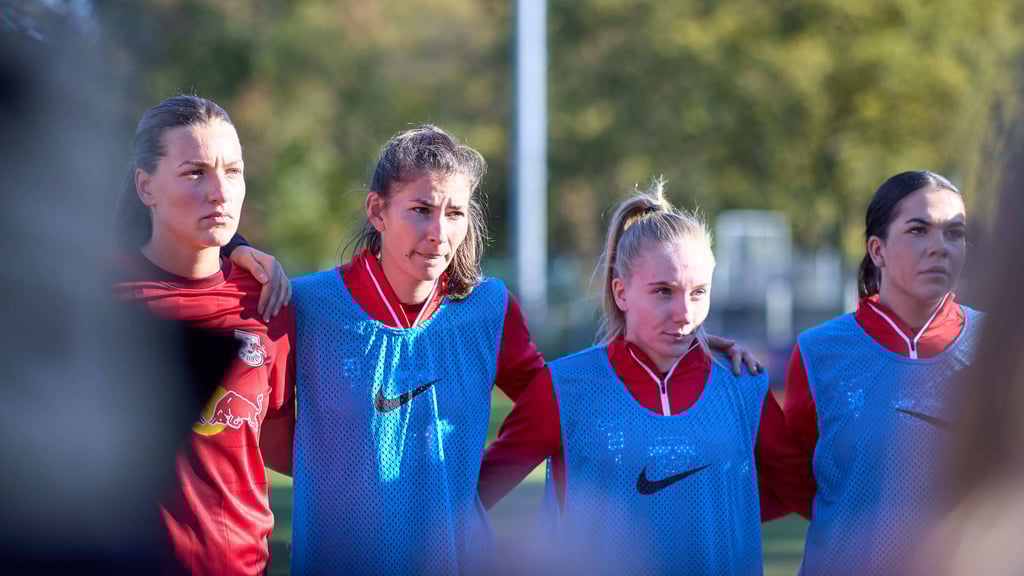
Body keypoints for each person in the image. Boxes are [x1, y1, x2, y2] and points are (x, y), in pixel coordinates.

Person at [286, 128, 759, 574]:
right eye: (421, 209)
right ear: (377, 211)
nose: (438, 231)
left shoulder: (488, 309)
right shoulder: (308, 306)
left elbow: (566, 399)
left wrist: (679, 354)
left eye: (454, 214)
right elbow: (259, 431)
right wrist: (344, 477)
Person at [478, 180, 807, 575]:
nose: (684, 313)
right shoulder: (565, 389)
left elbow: (807, 493)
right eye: (663, 292)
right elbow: (471, 496)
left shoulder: (743, 387)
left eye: (698, 292)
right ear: (621, 292)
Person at [112, 95, 296, 576]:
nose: (220, 191)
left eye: (233, 171)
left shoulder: (269, 302)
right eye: (195, 172)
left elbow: (276, 447)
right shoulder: (91, 297)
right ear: (146, 187)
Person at [783, 170, 981, 576]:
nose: (939, 248)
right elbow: (799, 482)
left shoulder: (999, 344)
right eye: (919, 230)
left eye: (954, 233)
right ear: (878, 250)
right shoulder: (819, 352)